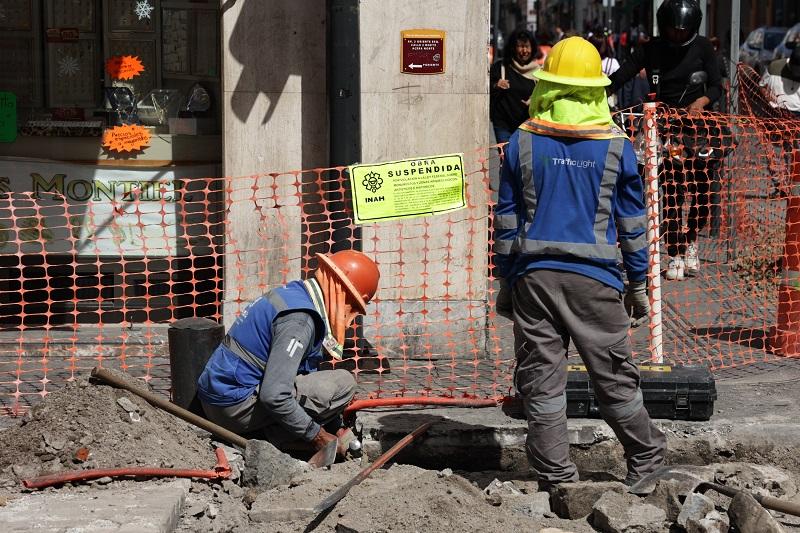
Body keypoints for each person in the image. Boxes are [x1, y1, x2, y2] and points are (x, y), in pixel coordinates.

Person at [494, 36, 667, 490]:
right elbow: (633, 226)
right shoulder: (617, 147)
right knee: (614, 381)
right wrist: (637, 285)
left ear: (546, 85)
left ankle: (558, 481)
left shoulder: (521, 142)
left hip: (534, 280)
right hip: (597, 284)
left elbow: (508, 221)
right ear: (596, 89)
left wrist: (506, 281)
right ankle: (647, 462)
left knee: (542, 386)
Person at [196, 250, 380, 458]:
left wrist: (334, 425)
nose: (351, 317)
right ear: (344, 294)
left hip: (217, 400)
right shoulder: (300, 321)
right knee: (343, 382)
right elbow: (275, 395)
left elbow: (297, 372)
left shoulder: (294, 294)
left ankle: (277, 430)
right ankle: (272, 437)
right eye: (353, 307)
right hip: (233, 409)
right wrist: (317, 436)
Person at [608, 0, 722, 281]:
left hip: (698, 129)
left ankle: (692, 240)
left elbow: (718, 84)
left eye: (683, 31)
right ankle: (674, 252)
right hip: (665, 129)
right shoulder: (652, 49)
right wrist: (595, 93)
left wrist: (702, 100)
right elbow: (620, 77)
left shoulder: (704, 48)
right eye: (673, 31)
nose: (678, 36)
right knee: (671, 192)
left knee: (702, 191)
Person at [490, 28, 540, 145]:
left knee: (522, 160)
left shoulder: (539, 72)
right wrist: (496, 85)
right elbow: (485, 88)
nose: (524, 50)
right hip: (503, 125)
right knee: (506, 158)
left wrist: (534, 100)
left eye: (527, 46)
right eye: (520, 46)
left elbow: (546, 94)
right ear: (513, 48)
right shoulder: (501, 67)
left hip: (527, 126)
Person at [760, 46, 800, 117]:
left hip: (797, 117)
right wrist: (767, 94)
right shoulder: (774, 67)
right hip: (772, 113)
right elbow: (762, 86)